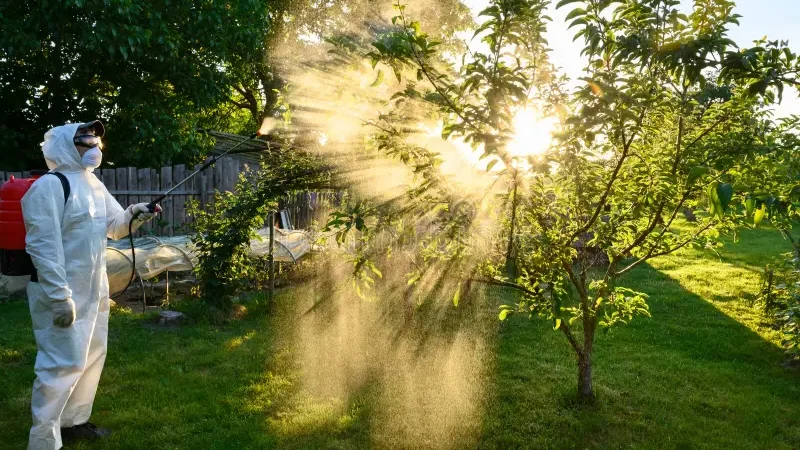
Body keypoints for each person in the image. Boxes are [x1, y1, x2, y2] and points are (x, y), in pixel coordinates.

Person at [22, 121, 161, 450]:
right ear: (66, 146)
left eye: (97, 142)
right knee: (61, 363)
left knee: (91, 355)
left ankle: (74, 422)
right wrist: (59, 298)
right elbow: (43, 247)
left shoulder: (93, 184)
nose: (95, 149)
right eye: (86, 142)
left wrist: (136, 214)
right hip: (60, 290)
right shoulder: (49, 187)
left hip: (94, 287)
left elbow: (113, 226)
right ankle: (44, 440)